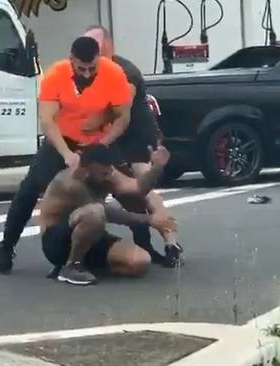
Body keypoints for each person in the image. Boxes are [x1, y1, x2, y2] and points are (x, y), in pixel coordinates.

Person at [0, 36, 133, 274]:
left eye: (92, 68)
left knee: (127, 189)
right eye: (82, 68)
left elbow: (123, 117)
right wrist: (66, 153)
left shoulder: (114, 73)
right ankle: (7, 245)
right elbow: (47, 121)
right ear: (71, 60)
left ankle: (148, 245)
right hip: (62, 140)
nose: (88, 73)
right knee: (28, 190)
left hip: (98, 142)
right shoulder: (56, 75)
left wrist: (101, 145)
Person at [81, 25, 184, 267]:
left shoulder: (125, 71)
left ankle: (172, 243)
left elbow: (119, 108)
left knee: (144, 191)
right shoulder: (89, 70)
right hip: (114, 135)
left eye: (95, 47)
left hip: (137, 135)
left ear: (108, 46)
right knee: (123, 191)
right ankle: (143, 242)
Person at [40, 143, 177, 285]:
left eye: (109, 172)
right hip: (57, 241)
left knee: (140, 262)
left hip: (91, 236)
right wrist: (149, 220)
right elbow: (106, 212)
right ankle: (72, 265)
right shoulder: (70, 183)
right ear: (86, 171)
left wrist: (157, 167)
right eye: (104, 174)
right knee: (95, 212)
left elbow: (138, 188)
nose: (108, 176)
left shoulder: (105, 172)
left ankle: (89, 266)